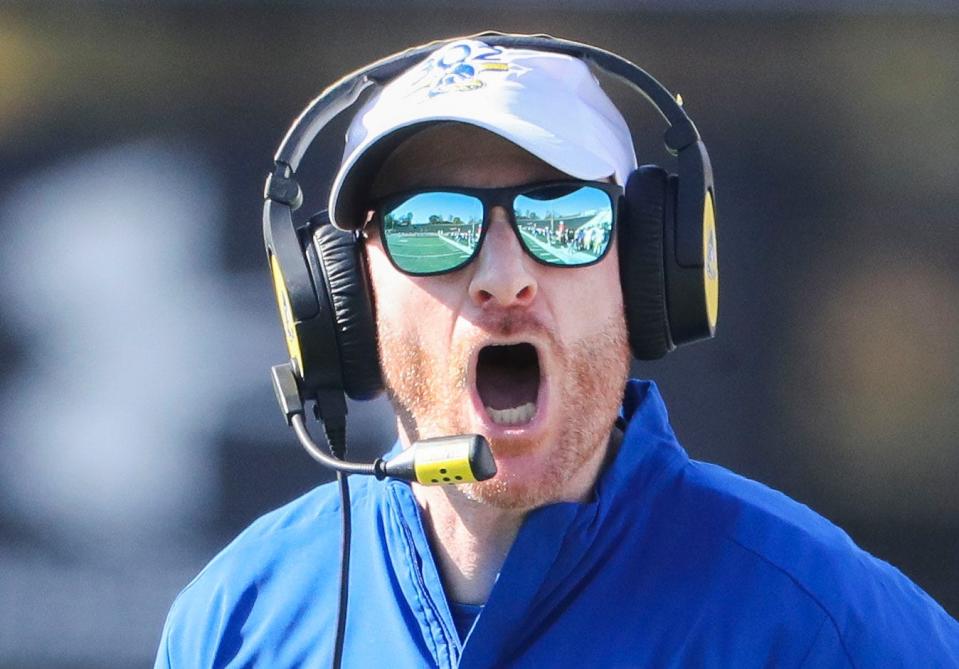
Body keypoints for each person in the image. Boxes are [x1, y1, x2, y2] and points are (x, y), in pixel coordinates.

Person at [155, 37, 959, 667]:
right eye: (431, 225)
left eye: (561, 220)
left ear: (644, 271)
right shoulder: (238, 619)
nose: (504, 280)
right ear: (346, 295)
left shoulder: (818, 620)